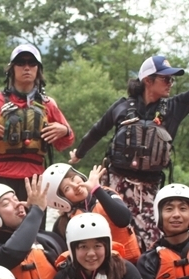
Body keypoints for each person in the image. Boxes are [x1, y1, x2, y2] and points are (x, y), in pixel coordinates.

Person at [69, 55, 188, 251]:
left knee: (150, 241)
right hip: (117, 184)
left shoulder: (175, 107)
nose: (170, 83)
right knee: (111, 233)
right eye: (165, 78)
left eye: (172, 79)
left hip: (150, 187)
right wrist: (79, 154)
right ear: (148, 80)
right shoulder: (122, 107)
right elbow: (97, 131)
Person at [0, 43, 74, 205]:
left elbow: (65, 142)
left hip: (35, 180)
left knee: (34, 222)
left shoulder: (48, 104)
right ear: (12, 69)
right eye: (20, 63)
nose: (26, 67)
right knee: (0, 222)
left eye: (32, 63)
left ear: (38, 69)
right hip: (1, 177)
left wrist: (65, 130)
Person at [43, 163, 141, 263]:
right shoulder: (62, 224)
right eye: (67, 188)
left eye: (73, 178)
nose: (76, 186)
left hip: (126, 264)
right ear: (60, 200)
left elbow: (124, 219)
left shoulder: (106, 193)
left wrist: (96, 190)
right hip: (92, 269)